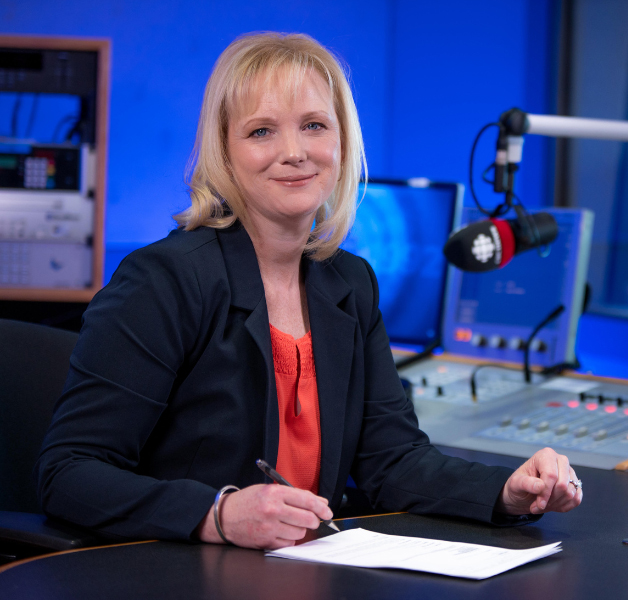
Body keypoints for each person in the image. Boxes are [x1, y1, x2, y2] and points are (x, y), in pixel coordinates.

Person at [36, 32, 582, 550]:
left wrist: (506, 491)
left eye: (315, 126)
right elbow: (70, 474)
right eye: (261, 131)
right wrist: (218, 514)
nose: (294, 151)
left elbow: (393, 461)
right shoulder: (164, 280)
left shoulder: (349, 282)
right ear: (224, 153)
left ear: (343, 141)